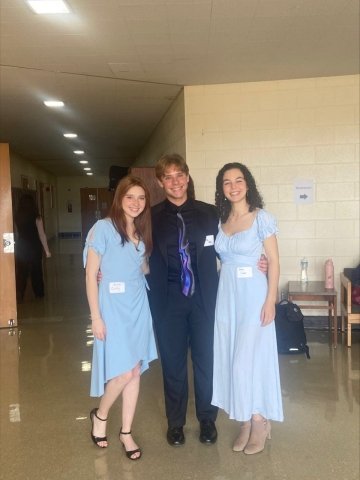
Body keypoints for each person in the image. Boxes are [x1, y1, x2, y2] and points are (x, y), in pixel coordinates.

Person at [148, 154, 268, 447]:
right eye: (168, 177)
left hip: (206, 300)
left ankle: (206, 420)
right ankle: (175, 424)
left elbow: (233, 246)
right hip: (167, 301)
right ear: (160, 182)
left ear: (187, 178)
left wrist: (259, 261)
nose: (175, 182)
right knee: (174, 365)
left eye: (180, 175)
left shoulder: (211, 214)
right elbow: (131, 249)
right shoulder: (148, 218)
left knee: (206, 362)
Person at [83, 175, 157, 461]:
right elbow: (91, 274)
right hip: (112, 306)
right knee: (123, 371)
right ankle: (100, 415)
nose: (136, 203)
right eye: (130, 197)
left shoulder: (141, 230)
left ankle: (126, 431)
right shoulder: (102, 228)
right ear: (120, 199)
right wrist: (95, 317)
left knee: (135, 369)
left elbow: (143, 269)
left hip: (138, 304)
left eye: (141, 198)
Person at [212, 162, 283, 455]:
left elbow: (275, 261)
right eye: (227, 182)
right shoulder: (221, 220)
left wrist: (270, 300)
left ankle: (260, 419)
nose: (233, 186)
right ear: (222, 189)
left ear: (247, 184)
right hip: (227, 296)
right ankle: (244, 418)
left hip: (254, 294)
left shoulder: (261, 218)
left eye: (238, 180)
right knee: (230, 356)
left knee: (249, 359)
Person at [14, 193, 51, 302]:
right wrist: (47, 250)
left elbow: (15, 233)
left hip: (21, 247)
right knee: (37, 271)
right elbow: (41, 234)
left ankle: (19, 293)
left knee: (21, 272)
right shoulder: (37, 217)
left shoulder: (16, 217)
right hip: (34, 247)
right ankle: (39, 293)